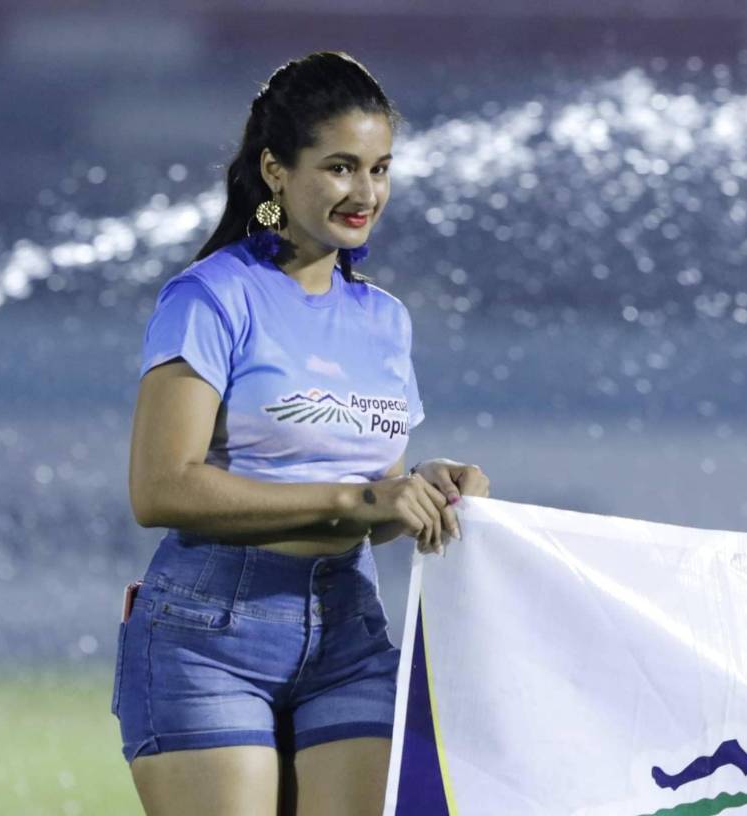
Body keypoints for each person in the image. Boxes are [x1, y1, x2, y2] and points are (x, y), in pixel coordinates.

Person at [113, 51, 490, 816]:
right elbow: (161, 490)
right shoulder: (210, 297)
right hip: (209, 634)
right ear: (276, 171)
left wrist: (423, 490)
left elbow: (372, 506)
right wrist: (359, 499)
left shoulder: (384, 319)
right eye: (341, 167)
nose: (366, 193)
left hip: (351, 628)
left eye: (380, 169)